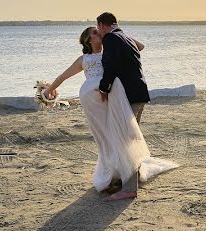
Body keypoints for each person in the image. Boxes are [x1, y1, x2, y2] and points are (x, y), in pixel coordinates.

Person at [42, 21, 177, 201]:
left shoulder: (112, 50)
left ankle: (123, 175)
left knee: (119, 133)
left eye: (99, 30)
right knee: (105, 136)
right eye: (94, 32)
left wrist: (117, 33)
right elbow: (64, 75)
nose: (98, 32)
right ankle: (114, 175)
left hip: (112, 96)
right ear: (87, 40)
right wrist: (48, 89)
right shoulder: (84, 60)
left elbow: (140, 46)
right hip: (93, 102)